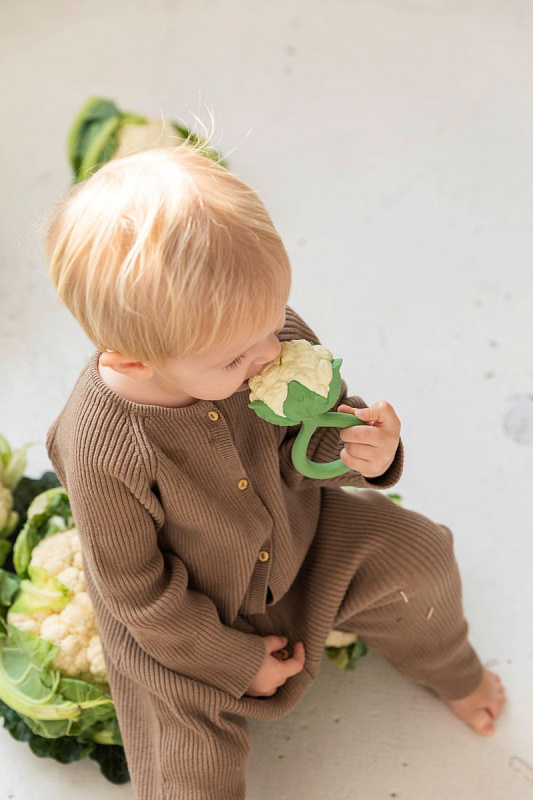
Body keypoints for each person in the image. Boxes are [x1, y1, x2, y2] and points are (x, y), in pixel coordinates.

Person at [43, 142, 505, 800]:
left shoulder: (262, 333)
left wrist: (360, 449)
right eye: (237, 358)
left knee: (420, 557)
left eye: (273, 320)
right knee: (181, 767)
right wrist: (233, 660)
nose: (271, 351)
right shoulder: (100, 447)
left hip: (301, 537)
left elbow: (310, 427)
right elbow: (138, 595)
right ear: (135, 361)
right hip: (185, 620)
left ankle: (450, 670)